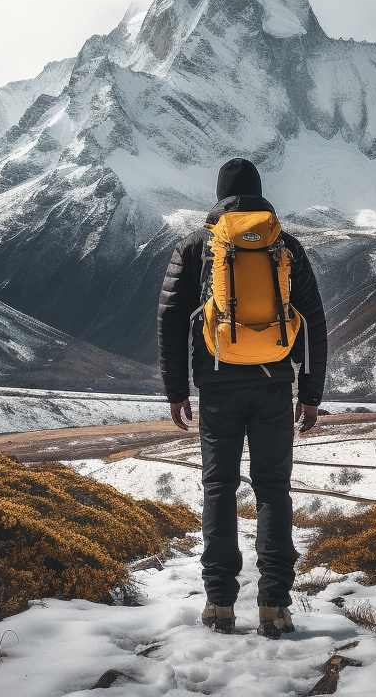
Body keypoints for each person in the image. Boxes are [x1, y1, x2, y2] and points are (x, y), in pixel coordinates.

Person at [157, 156, 327, 638]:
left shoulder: (197, 246)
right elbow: (314, 323)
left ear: (218, 198)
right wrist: (310, 394)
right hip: (275, 384)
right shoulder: (285, 246)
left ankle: (219, 604)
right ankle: (275, 605)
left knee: (219, 489)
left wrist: (175, 390)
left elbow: (170, 321)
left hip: (216, 388)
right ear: (260, 195)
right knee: (273, 490)